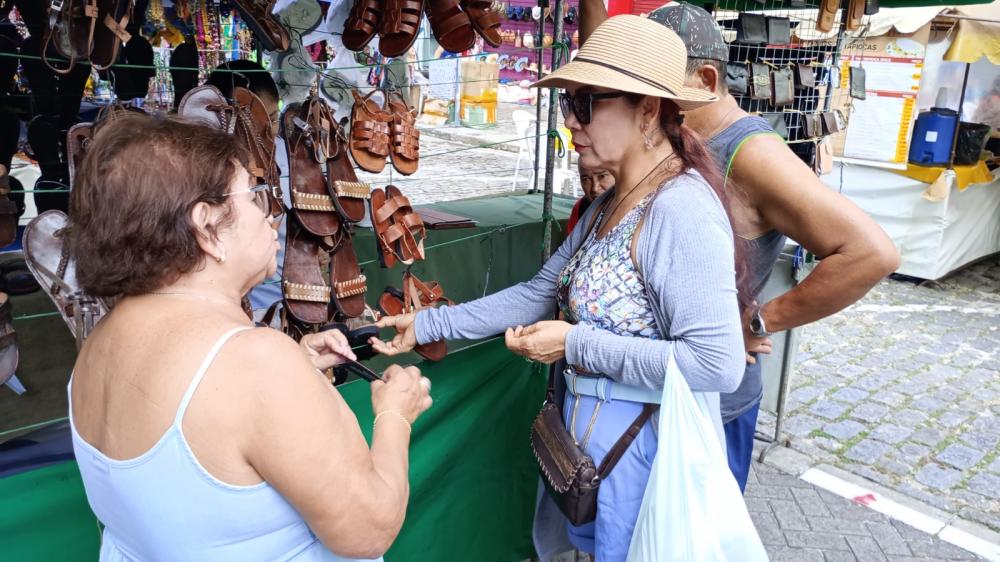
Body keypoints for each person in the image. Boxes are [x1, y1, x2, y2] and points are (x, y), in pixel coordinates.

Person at [374, 16, 745, 562]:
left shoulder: (680, 209)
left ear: (647, 109)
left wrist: (574, 344)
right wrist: (428, 323)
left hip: (647, 462)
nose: (570, 121)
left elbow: (716, 365)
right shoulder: (610, 201)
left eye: (586, 104)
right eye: (569, 104)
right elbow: (539, 292)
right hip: (590, 458)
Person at [66, 114, 431, 561]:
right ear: (206, 227)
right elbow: (369, 529)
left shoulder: (100, 343)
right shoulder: (255, 365)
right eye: (255, 197)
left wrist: (292, 368)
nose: (269, 214)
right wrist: (395, 416)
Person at [581, 1, 900, 492]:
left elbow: (872, 252)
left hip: (705, 402)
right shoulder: (675, 143)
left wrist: (756, 322)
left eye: (651, 87)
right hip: (645, 394)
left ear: (706, 81)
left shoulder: (751, 154)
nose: (638, 101)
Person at [202, 59, 288, 313]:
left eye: (273, 118)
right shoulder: (206, 171)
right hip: (227, 310)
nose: (267, 132)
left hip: (285, 306)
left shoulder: (285, 154)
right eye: (254, 123)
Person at [566, 166, 614, 232]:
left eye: (602, 176)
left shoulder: (630, 208)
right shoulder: (581, 207)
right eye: (586, 179)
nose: (595, 188)